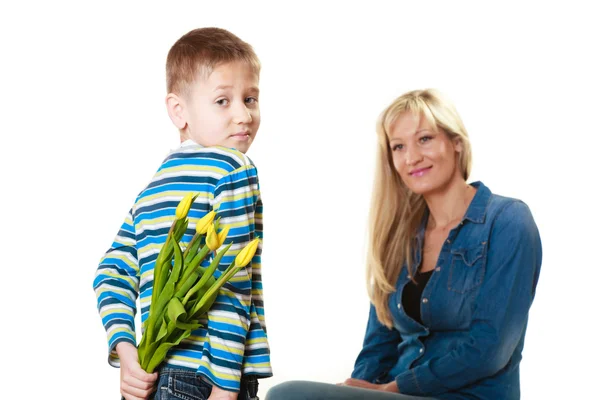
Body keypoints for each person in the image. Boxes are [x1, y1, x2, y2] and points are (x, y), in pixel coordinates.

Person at [266, 89, 542, 400]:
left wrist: (395, 388)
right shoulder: (400, 237)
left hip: (468, 396)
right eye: (398, 146)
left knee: (287, 396)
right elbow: (379, 344)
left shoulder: (507, 221)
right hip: (396, 393)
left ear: (457, 143)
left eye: (424, 139)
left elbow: (491, 348)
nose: (412, 157)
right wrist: (359, 388)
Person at [93, 27, 272, 400]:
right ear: (179, 110)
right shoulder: (233, 168)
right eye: (223, 101)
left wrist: (128, 354)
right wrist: (225, 388)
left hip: (156, 375)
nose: (243, 115)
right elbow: (230, 284)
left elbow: (112, 272)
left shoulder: (154, 187)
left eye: (250, 98)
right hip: (210, 379)